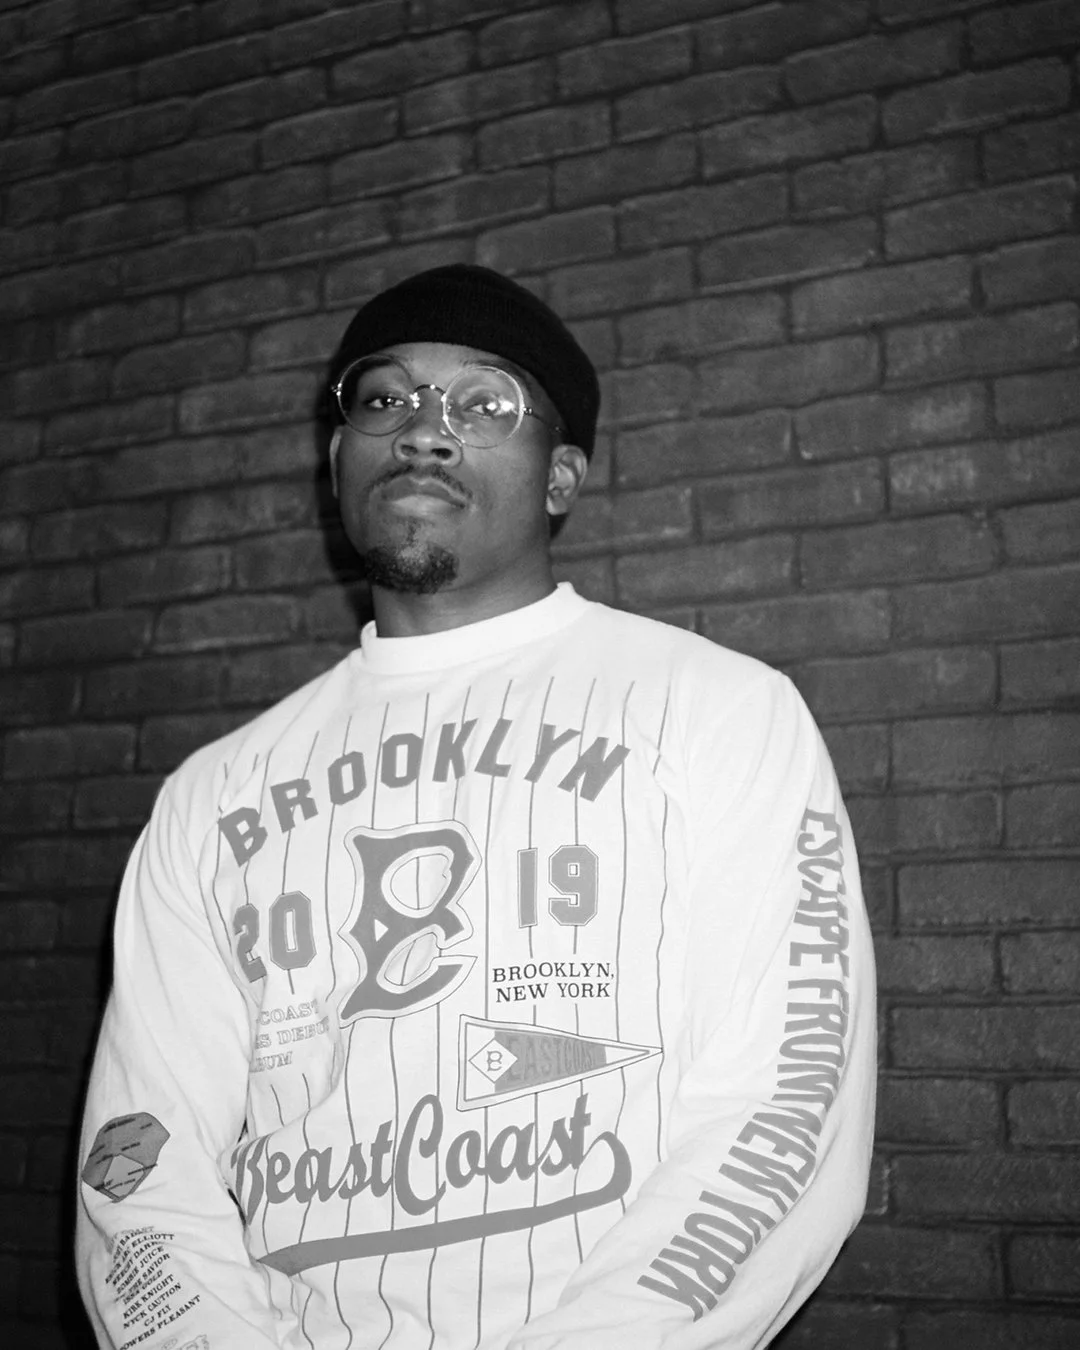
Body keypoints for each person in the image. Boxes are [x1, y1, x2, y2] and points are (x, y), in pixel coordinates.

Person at [76, 264, 876, 1350]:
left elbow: (783, 1103)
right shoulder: (210, 797)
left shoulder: (717, 712)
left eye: (484, 404)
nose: (424, 431)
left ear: (560, 477)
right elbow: (139, 1159)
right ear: (337, 458)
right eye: (384, 399)